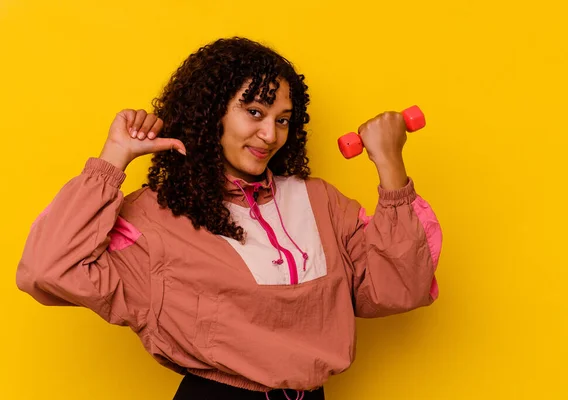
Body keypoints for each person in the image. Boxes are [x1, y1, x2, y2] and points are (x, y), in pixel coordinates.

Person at [16, 37, 442, 400]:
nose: (270, 135)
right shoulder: (156, 213)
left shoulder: (319, 201)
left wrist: (390, 166)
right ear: (211, 112)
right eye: (254, 112)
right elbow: (46, 269)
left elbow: (399, 289)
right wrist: (113, 159)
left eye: (283, 120)